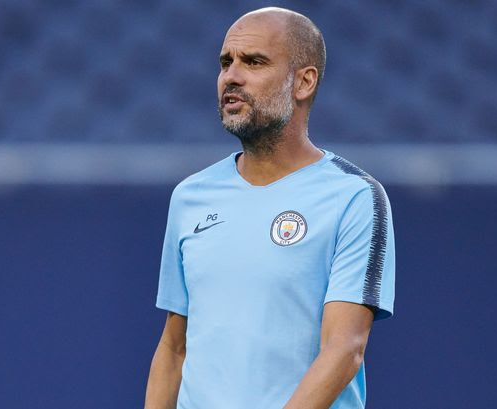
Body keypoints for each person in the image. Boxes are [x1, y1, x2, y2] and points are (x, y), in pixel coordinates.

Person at [144, 7, 395, 409]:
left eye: (254, 62)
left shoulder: (353, 197)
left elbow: (345, 348)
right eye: (226, 63)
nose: (232, 76)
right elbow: (175, 347)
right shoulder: (191, 196)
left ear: (304, 82)